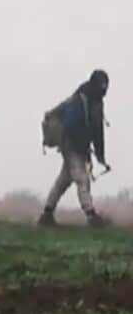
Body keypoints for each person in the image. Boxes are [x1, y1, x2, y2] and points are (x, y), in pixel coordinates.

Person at [39, 70, 111, 228]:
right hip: (74, 147)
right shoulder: (89, 101)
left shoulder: (82, 96)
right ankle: (92, 217)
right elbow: (97, 131)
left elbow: (59, 112)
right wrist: (100, 156)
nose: (105, 88)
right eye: (103, 84)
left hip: (70, 145)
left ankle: (46, 214)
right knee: (82, 179)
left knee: (63, 181)